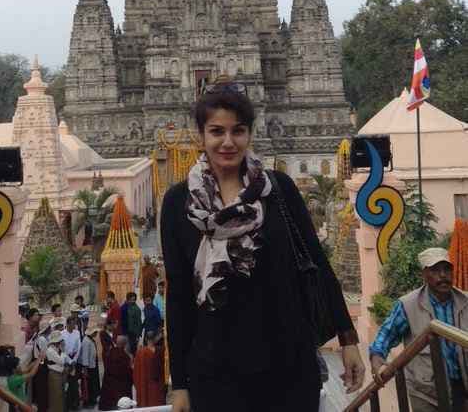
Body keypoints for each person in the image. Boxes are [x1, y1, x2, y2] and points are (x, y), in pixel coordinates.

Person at [161, 82, 365, 412]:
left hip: (288, 363)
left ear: (250, 134)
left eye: (238, 131)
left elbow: (317, 262)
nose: (228, 142)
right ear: (201, 135)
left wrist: (348, 338)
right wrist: (180, 384)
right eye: (217, 131)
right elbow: (179, 295)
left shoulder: (278, 189)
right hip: (215, 370)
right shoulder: (178, 203)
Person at [370, 247, 468, 412]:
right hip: (426, 392)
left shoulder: (465, 301)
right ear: (424, 274)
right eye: (435, 270)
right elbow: (387, 334)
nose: (443, 275)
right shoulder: (408, 304)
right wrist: (377, 356)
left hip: (462, 388)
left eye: (447, 269)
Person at [99, 336, 133, 411]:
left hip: (109, 385)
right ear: (124, 344)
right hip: (121, 387)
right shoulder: (125, 356)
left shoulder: (110, 353)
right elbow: (128, 372)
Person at [133, 330, 166, 407]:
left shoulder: (140, 353)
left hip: (144, 385)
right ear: (155, 339)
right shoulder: (161, 351)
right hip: (158, 384)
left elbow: (136, 373)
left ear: (145, 339)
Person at [62, 317, 82, 411]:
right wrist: (69, 361)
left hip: (74, 361)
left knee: (74, 383)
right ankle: (67, 404)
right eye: (73, 323)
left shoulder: (77, 333)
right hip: (66, 362)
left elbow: (79, 347)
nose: (74, 325)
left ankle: (75, 403)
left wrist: (74, 360)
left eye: (75, 323)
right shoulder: (62, 334)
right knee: (67, 384)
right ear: (68, 324)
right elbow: (62, 349)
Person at [46, 331, 68, 412]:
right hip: (54, 375)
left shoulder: (57, 348)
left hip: (60, 374)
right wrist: (63, 352)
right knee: (56, 395)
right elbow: (61, 361)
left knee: (61, 395)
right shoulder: (50, 350)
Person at [32, 321, 51, 412]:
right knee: (42, 389)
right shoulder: (42, 339)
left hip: (39, 364)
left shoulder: (40, 337)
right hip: (41, 365)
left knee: (41, 388)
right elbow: (45, 354)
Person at [79, 326, 100, 407]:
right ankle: (88, 401)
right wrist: (85, 369)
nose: (96, 334)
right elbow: (85, 356)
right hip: (88, 367)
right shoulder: (86, 341)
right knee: (88, 386)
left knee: (92, 384)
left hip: (92, 365)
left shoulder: (90, 340)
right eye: (95, 332)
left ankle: (92, 399)